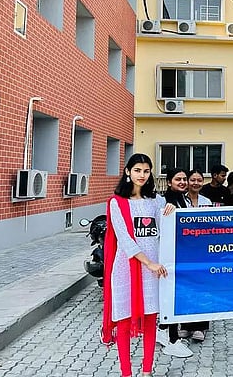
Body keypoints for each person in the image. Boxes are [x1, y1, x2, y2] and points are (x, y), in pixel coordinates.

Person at [101, 153, 175, 377]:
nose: (142, 175)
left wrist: (171, 211)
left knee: (151, 320)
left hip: (153, 270)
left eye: (146, 171)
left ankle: (147, 370)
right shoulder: (117, 202)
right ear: (127, 172)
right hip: (126, 268)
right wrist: (149, 263)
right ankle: (126, 372)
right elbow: (124, 240)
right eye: (137, 170)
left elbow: (165, 231)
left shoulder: (157, 201)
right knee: (124, 321)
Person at [156, 169, 195, 358]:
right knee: (171, 297)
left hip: (182, 254)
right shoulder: (164, 201)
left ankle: (163, 330)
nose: (182, 182)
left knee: (175, 295)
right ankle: (172, 341)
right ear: (169, 181)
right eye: (178, 179)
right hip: (169, 257)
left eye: (184, 179)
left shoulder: (184, 199)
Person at [178, 169, 212, 343]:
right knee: (185, 287)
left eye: (199, 180)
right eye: (192, 180)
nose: (196, 183)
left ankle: (200, 326)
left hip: (202, 251)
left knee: (202, 287)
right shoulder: (179, 201)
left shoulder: (207, 202)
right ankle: (185, 325)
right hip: (183, 250)